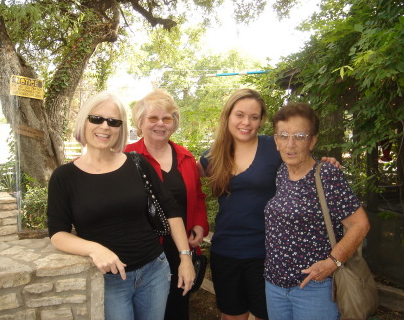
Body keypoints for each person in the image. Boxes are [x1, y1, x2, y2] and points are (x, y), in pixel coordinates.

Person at [47, 92, 195, 320]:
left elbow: (171, 210)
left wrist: (185, 259)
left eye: (113, 122)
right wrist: (94, 249)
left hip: (155, 270)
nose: (105, 127)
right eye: (96, 119)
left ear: (120, 128)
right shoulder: (65, 176)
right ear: (84, 121)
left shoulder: (136, 163)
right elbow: (58, 234)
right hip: (110, 279)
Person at [196, 89, 340, 320]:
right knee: (231, 315)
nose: (246, 122)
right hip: (225, 251)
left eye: (254, 117)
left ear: (261, 120)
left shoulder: (273, 148)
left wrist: (328, 163)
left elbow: (305, 163)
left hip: (267, 253)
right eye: (240, 115)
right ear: (228, 116)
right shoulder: (212, 156)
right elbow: (184, 180)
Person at [264, 102, 370, 320]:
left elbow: (360, 224)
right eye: (283, 135)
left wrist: (332, 263)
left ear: (312, 141)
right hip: (274, 286)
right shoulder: (282, 172)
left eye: (300, 136)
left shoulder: (327, 175)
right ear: (276, 141)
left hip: (314, 288)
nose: (290, 144)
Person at [125, 89, 209, 320]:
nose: (160, 124)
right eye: (153, 118)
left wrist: (200, 226)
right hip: (142, 254)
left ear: (174, 123)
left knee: (176, 309)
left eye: (166, 118)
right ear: (140, 122)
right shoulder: (126, 157)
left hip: (180, 250)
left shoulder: (185, 157)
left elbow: (198, 196)